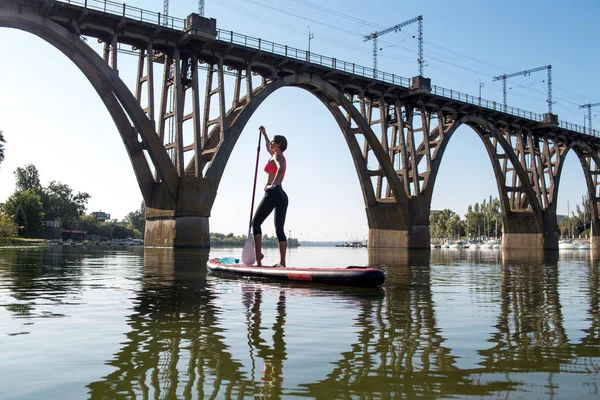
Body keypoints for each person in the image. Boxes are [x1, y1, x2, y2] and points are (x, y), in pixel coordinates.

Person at [252, 126, 288, 267]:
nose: (271, 143)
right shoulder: (275, 155)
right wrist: (264, 133)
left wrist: (271, 184)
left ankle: (258, 258)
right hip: (282, 195)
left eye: (273, 141)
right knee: (279, 229)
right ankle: (282, 263)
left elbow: (281, 169)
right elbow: (268, 146)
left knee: (255, 223)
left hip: (273, 193)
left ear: (279, 145)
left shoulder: (278, 157)